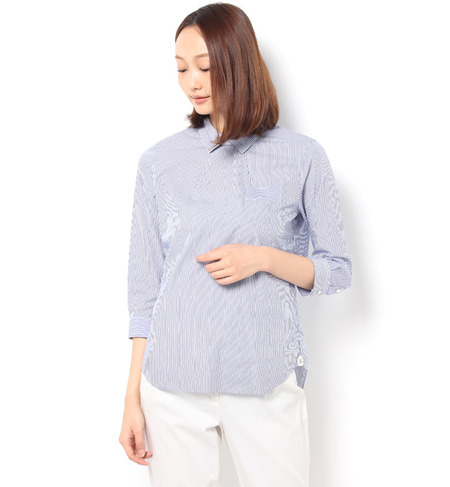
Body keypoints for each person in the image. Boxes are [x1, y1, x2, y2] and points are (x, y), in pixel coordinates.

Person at [119, 3, 352, 486]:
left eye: (204, 67)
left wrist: (264, 258)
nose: (192, 82)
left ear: (238, 60)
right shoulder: (158, 163)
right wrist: (132, 397)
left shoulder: (302, 156)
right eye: (181, 68)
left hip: (264, 378)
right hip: (173, 385)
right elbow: (145, 293)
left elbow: (337, 269)